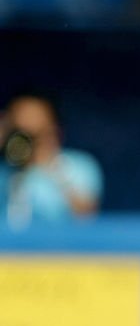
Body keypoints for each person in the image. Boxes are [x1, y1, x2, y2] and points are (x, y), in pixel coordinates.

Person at [0, 93, 103, 227]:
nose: (26, 141)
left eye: (36, 134)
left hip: (58, 246)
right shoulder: (4, 171)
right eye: (19, 132)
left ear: (54, 129)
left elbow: (87, 215)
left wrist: (54, 167)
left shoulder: (79, 165)